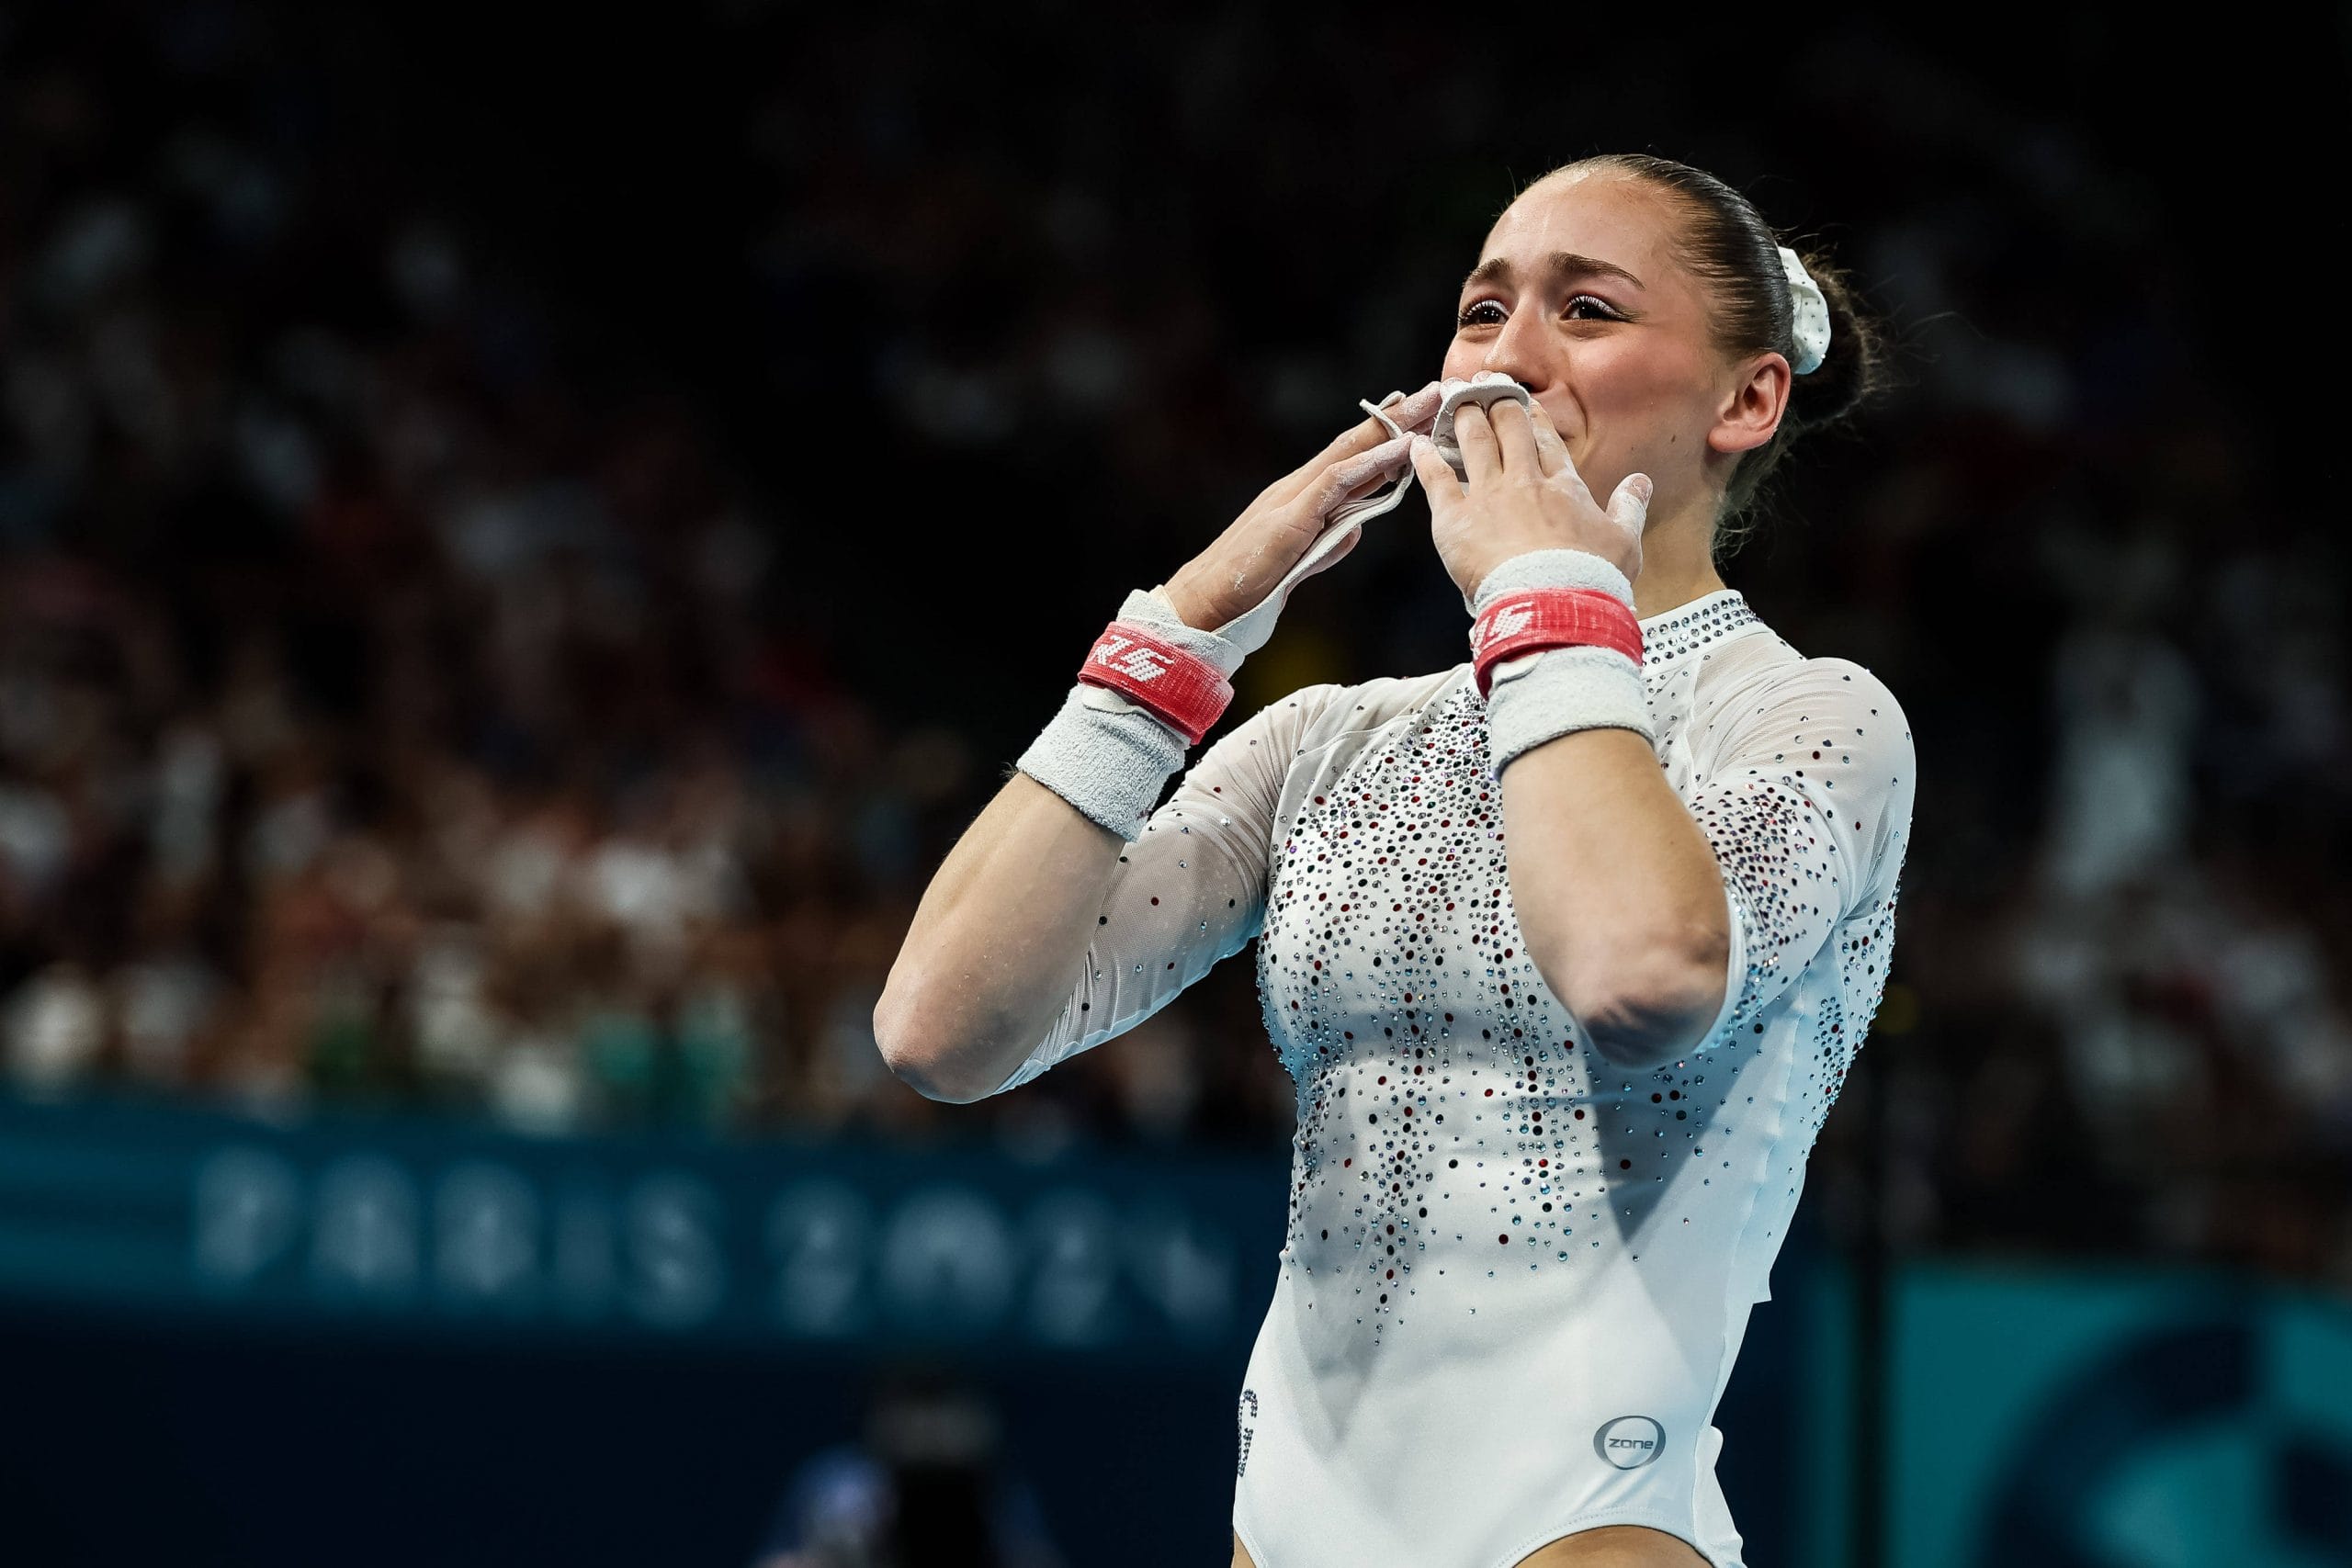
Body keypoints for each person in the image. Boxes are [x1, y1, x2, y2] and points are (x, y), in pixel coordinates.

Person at [874, 153, 1913, 1568]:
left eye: (1588, 310)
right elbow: (946, 1029)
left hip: (1590, 1526)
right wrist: (1180, 636)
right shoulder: (1332, 743)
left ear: (1746, 399)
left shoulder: (1810, 721)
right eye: (1482, 311)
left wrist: (1545, 597)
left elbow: (1641, 974)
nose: (1511, 357)